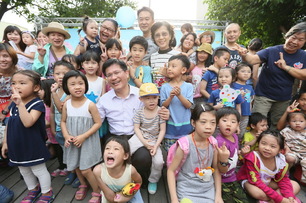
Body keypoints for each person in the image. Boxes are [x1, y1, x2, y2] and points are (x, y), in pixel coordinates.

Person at [96, 59, 169, 188]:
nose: (114, 77)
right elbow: (96, 122)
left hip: (139, 135)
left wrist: (164, 113)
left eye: (117, 72)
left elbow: (155, 109)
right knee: (113, 155)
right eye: (109, 75)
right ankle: (119, 183)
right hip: (116, 137)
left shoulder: (140, 94)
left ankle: (141, 182)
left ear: (126, 73)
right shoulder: (104, 99)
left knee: (144, 157)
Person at [236, 22, 306, 130]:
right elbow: (252, 59)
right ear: (287, 36)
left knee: (278, 126)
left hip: (284, 98)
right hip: (264, 95)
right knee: (257, 123)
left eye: (301, 40)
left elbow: (304, 75)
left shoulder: (303, 55)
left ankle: (273, 145)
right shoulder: (272, 51)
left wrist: (285, 67)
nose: (295, 42)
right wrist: (244, 54)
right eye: (294, 37)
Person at [1, 70, 54, 202]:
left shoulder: (37, 104)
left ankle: (47, 192)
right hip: (16, 145)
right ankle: (33, 189)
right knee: (24, 170)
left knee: (39, 170)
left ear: (36, 87)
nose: (16, 86)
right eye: (14, 83)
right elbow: (9, 123)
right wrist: (6, 143)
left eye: (22, 83)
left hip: (32, 145)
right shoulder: (13, 103)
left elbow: (28, 122)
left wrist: (20, 104)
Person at [167, 102, 223, 203]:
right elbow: (171, 171)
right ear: (193, 123)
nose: (208, 127)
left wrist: (218, 196)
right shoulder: (185, 145)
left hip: (207, 189)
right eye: (203, 122)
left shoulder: (213, 143)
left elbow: (216, 169)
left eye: (212, 122)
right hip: (187, 189)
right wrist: (174, 199)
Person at [61, 70, 102, 202]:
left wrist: (84, 136)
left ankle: (97, 190)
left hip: (87, 140)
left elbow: (98, 123)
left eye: (80, 83)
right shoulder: (66, 104)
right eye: (72, 84)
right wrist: (66, 135)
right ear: (66, 87)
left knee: (85, 169)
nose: (77, 87)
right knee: (76, 165)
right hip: (73, 140)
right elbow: (63, 121)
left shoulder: (90, 104)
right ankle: (83, 184)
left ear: (85, 85)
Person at [237, 130, 301, 203]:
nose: (267, 148)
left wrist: (289, 196)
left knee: (295, 185)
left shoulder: (281, 160)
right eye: (263, 144)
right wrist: (281, 199)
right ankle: (277, 200)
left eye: (273, 146)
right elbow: (256, 182)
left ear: (280, 150)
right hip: (251, 181)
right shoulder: (252, 158)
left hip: (268, 181)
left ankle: (272, 200)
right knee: (256, 192)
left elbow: (282, 180)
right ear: (258, 144)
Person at [128, 83, 166, 194]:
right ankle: (126, 176)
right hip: (140, 137)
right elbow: (136, 128)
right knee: (125, 151)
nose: (151, 101)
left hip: (155, 139)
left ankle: (153, 180)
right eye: (147, 98)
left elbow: (162, 130)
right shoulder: (139, 112)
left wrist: (156, 145)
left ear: (158, 97)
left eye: (154, 97)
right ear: (141, 99)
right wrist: (144, 142)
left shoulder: (160, 112)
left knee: (159, 162)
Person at [93, 136, 143, 203]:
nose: (110, 151)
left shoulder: (130, 170)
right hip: (111, 196)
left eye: (116, 149)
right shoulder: (98, 171)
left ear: (125, 156)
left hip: (130, 193)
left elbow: (138, 182)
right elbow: (109, 197)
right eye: (107, 148)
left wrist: (125, 197)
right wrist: (117, 199)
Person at [215, 107, 249, 202]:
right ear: (217, 123)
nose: (229, 124)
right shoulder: (220, 142)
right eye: (224, 120)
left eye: (233, 122)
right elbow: (219, 166)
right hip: (221, 181)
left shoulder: (235, 136)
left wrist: (242, 152)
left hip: (233, 177)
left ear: (238, 125)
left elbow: (233, 154)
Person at [160, 55, 193, 151]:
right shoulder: (165, 87)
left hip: (185, 127)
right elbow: (163, 105)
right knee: (170, 154)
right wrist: (170, 97)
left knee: (184, 153)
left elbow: (189, 105)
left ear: (183, 70)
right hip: (170, 128)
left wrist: (179, 95)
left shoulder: (188, 86)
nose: (169, 69)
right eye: (168, 66)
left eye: (173, 66)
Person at [49, 61, 74, 178]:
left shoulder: (70, 91)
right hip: (59, 130)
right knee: (66, 153)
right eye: (57, 73)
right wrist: (53, 129)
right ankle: (70, 170)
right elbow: (52, 111)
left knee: (72, 153)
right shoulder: (54, 90)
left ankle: (75, 173)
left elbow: (60, 109)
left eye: (64, 73)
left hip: (69, 130)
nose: (60, 76)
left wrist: (53, 93)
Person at [150, 21, 180, 89]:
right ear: (154, 38)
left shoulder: (177, 55)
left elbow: (185, 79)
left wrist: (168, 75)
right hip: (156, 97)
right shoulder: (152, 57)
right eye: (157, 35)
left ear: (170, 35)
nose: (161, 37)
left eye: (164, 34)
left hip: (173, 96)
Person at [280, 110, 306, 177]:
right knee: (289, 158)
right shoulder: (287, 131)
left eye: (301, 121)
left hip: (304, 154)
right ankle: (285, 172)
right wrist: (286, 146)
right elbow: (279, 139)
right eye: (294, 121)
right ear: (288, 123)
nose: (297, 123)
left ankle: (304, 181)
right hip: (293, 152)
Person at [233, 62, 255, 138]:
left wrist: (250, 110)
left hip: (246, 113)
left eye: (248, 72)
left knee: (241, 132)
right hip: (235, 112)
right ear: (236, 73)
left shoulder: (250, 87)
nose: (246, 74)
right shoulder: (232, 85)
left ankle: (238, 145)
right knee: (233, 130)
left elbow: (251, 100)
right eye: (243, 71)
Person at [0, 43, 18, 124]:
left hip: (14, 104)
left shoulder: (20, 73)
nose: (2, 59)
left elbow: (18, 95)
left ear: (12, 58)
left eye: (5, 56)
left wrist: (4, 112)